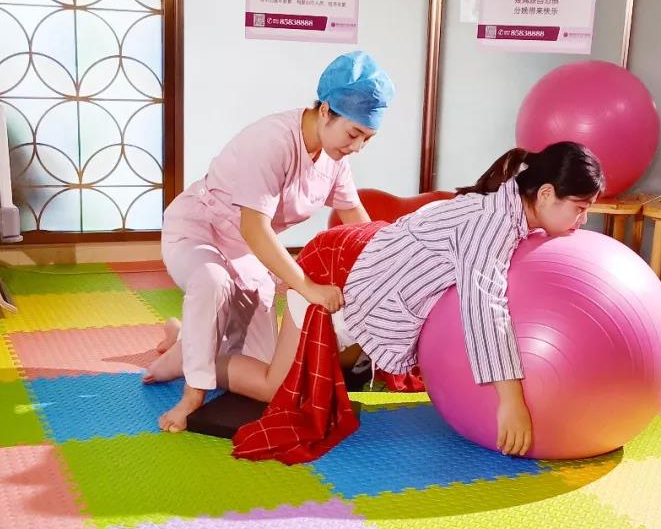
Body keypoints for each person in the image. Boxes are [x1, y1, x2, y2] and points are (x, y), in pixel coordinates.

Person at [222, 141, 604, 456]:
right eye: (580, 208)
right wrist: (512, 401)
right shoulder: (492, 224)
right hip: (335, 273)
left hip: (367, 261)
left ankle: (198, 345)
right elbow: (484, 310)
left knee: (327, 368)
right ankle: (198, 362)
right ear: (546, 193)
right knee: (279, 387)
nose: (583, 220)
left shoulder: (510, 210)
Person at [145, 52, 396, 433]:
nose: (358, 147)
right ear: (325, 111)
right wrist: (307, 286)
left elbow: (354, 218)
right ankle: (191, 396)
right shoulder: (272, 141)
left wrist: (391, 266)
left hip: (246, 252)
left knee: (266, 375)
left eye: (367, 139)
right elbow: (255, 228)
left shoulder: (334, 160)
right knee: (212, 283)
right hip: (199, 231)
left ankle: (182, 338)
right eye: (354, 134)